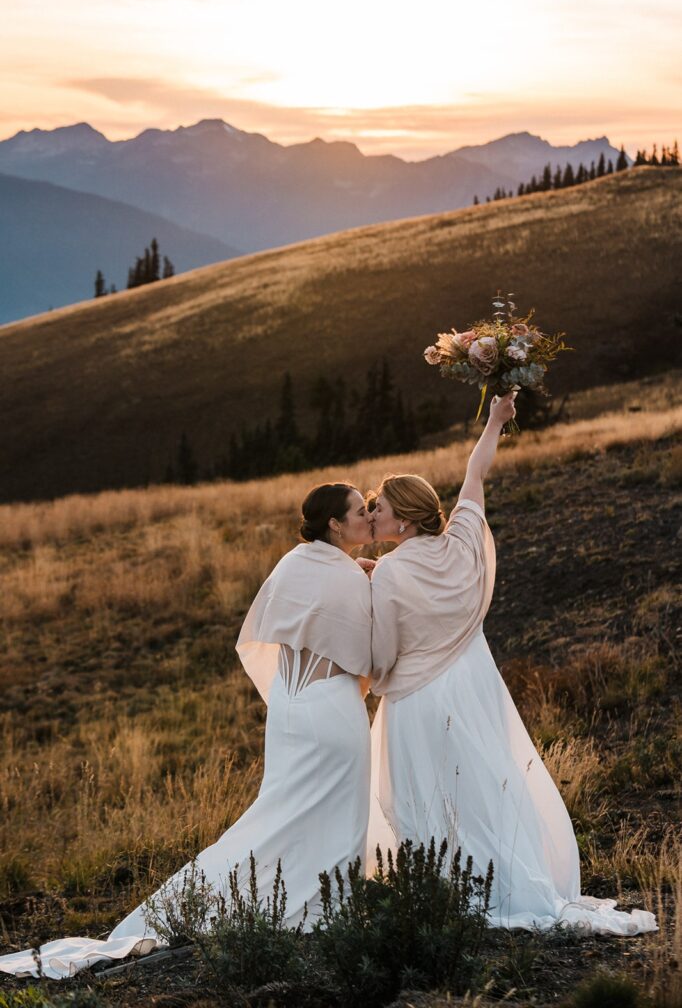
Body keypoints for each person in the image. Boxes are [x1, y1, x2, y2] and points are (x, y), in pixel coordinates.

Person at [0, 482, 374, 980]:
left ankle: (255, 899)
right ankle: (324, 907)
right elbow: (372, 654)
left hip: (288, 709)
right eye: (361, 511)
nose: (368, 516)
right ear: (335, 523)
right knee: (336, 811)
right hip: (331, 709)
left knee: (279, 812)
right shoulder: (351, 577)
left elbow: (267, 637)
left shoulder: (293, 564)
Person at [365, 393, 657, 935]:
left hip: (419, 700)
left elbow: (382, 656)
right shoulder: (460, 541)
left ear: (401, 518)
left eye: (377, 505)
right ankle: (497, 879)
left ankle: (449, 890)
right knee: (486, 782)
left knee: (428, 797)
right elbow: (477, 472)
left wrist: (372, 681)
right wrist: (497, 418)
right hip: (476, 685)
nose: (370, 510)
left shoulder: (387, 575)